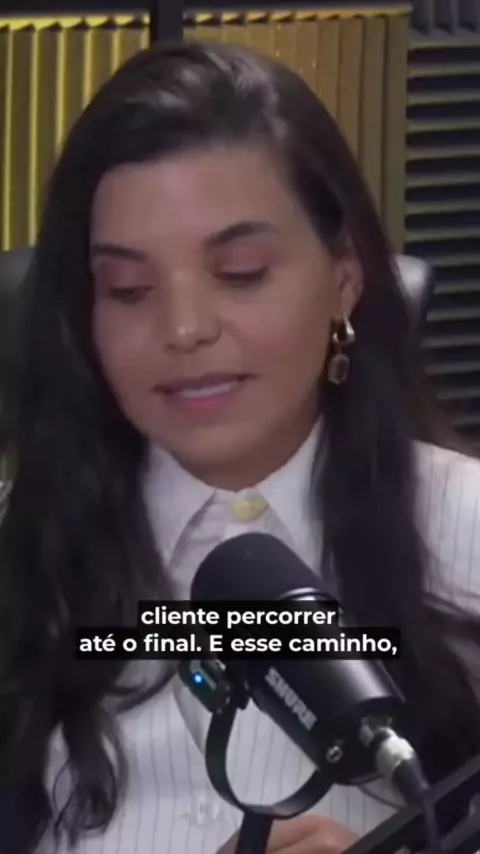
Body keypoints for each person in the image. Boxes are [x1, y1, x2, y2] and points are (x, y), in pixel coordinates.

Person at [1, 40, 480, 854]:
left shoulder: (465, 531)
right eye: (129, 290)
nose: (184, 329)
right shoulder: (18, 550)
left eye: (242, 271)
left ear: (345, 279)